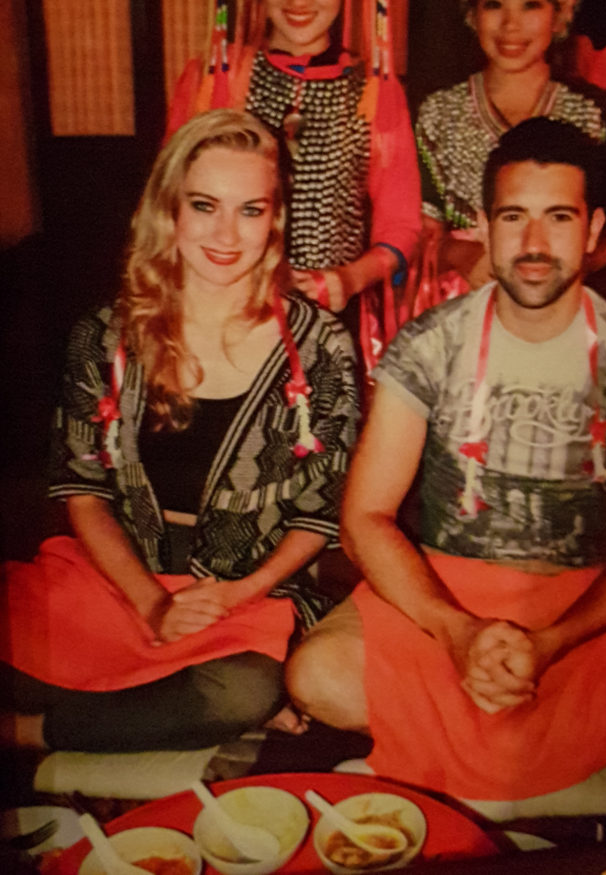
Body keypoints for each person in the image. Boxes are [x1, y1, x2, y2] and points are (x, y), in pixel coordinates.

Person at [286, 118, 606, 803]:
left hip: (580, 605)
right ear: (483, 224)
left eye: (558, 217)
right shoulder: (428, 344)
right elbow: (364, 517)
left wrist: (553, 641)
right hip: (447, 596)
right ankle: (600, 732)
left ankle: (443, 737)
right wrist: (456, 632)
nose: (535, 245)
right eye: (514, 217)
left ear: (593, 229)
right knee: (318, 672)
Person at [0, 109, 359, 753]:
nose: (226, 233)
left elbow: (320, 512)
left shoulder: (321, 346)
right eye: (204, 205)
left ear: (274, 220)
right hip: (117, 579)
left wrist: (230, 597)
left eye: (250, 210)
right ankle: (156, 710)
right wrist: (151, 604)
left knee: (241, 689)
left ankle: (32, 733)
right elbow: (81, 490)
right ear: (169, 208)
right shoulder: (105, 334)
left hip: (250, 595)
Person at [169, 0, 421, 372]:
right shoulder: (214, 78)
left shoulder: (375, 91)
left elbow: (401, 224)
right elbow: (169, 203)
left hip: (331, 318)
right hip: (221, 312)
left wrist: (348, 278)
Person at [412, 0, 606, 310]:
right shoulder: (436, 113)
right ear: (472, 14)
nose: (511, 25)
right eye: (494, 4)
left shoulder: (592, 114)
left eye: (531, 5)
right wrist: (463, 256)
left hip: (560, 301)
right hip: (459, 302)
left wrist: (573, 270)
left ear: (560, 16)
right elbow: (422, 228)